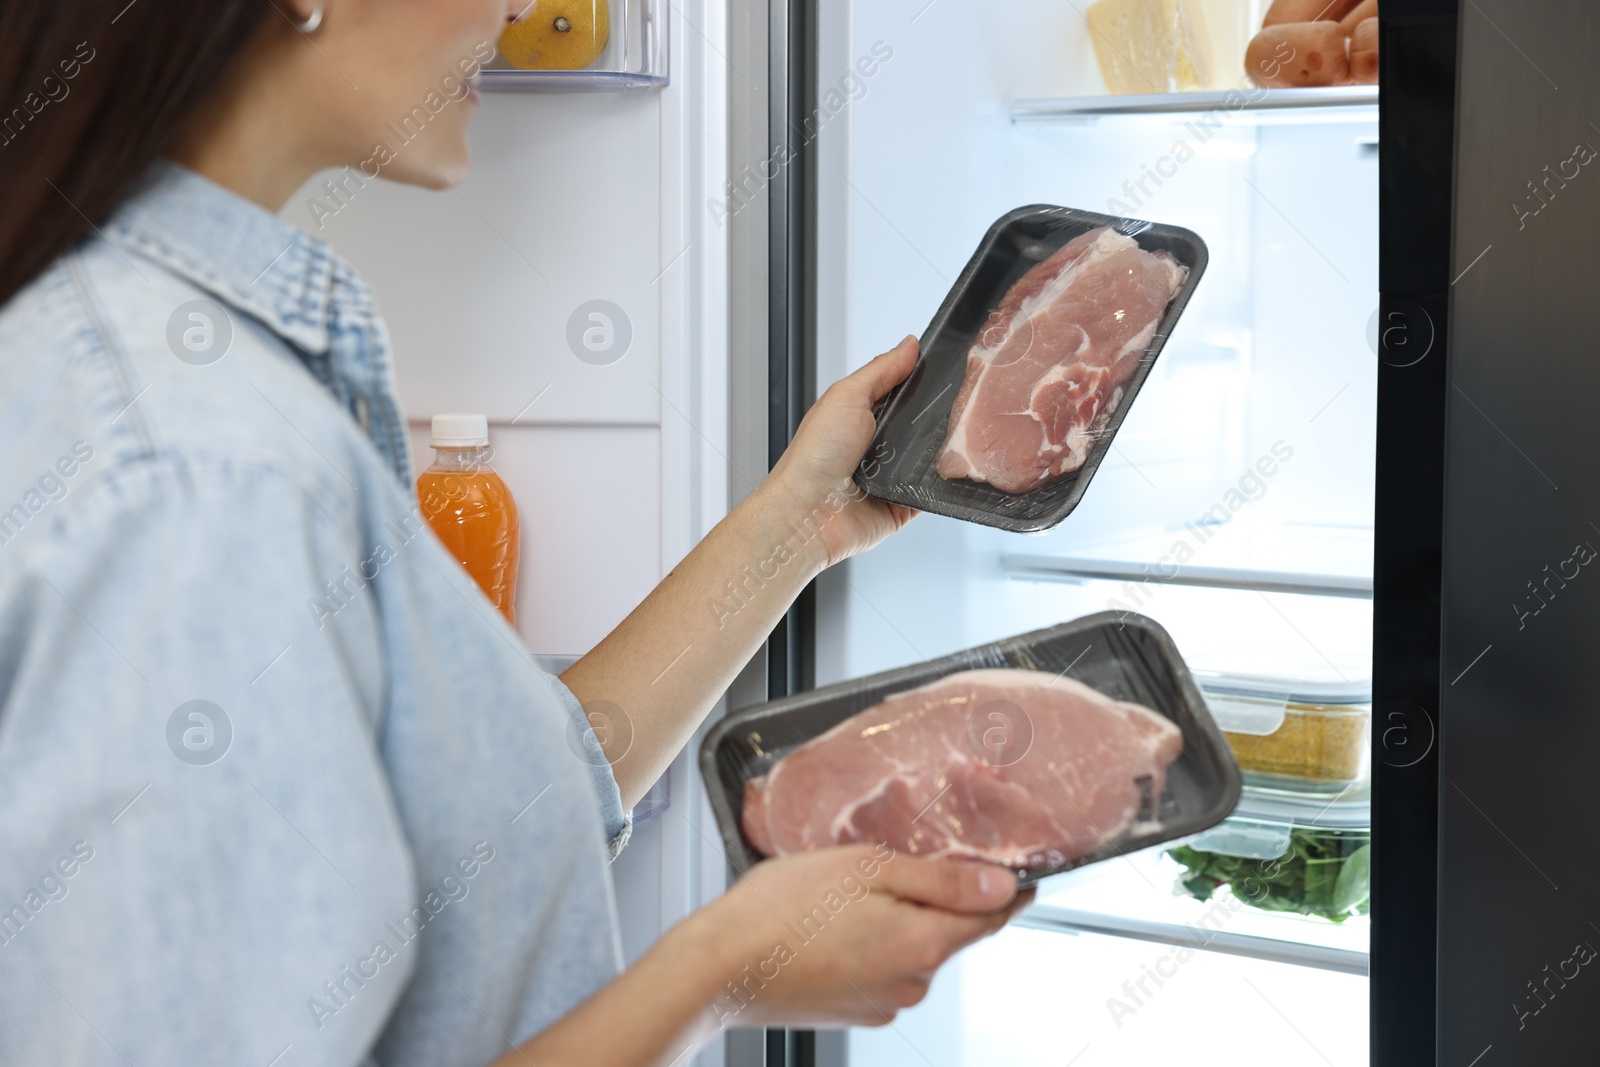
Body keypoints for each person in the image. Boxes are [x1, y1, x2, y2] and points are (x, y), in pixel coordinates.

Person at [0, 3, 1030, 1065]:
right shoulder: (202, 465)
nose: (517, 7)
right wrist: (713, 968)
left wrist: (801, 524)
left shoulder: (151, 361)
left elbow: (497, 824)